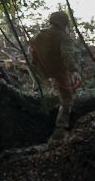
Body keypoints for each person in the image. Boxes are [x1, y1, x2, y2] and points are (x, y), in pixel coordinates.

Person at [31, 11, 81, 143]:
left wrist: (38, 68)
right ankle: (60, 131)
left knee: (49, 95)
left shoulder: (39, 36)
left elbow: (33, 54)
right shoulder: (64, 38)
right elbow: (67, 56)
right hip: (59, 72)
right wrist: (74, 70)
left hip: (41, 72)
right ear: (64, 23)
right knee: (67, 99)